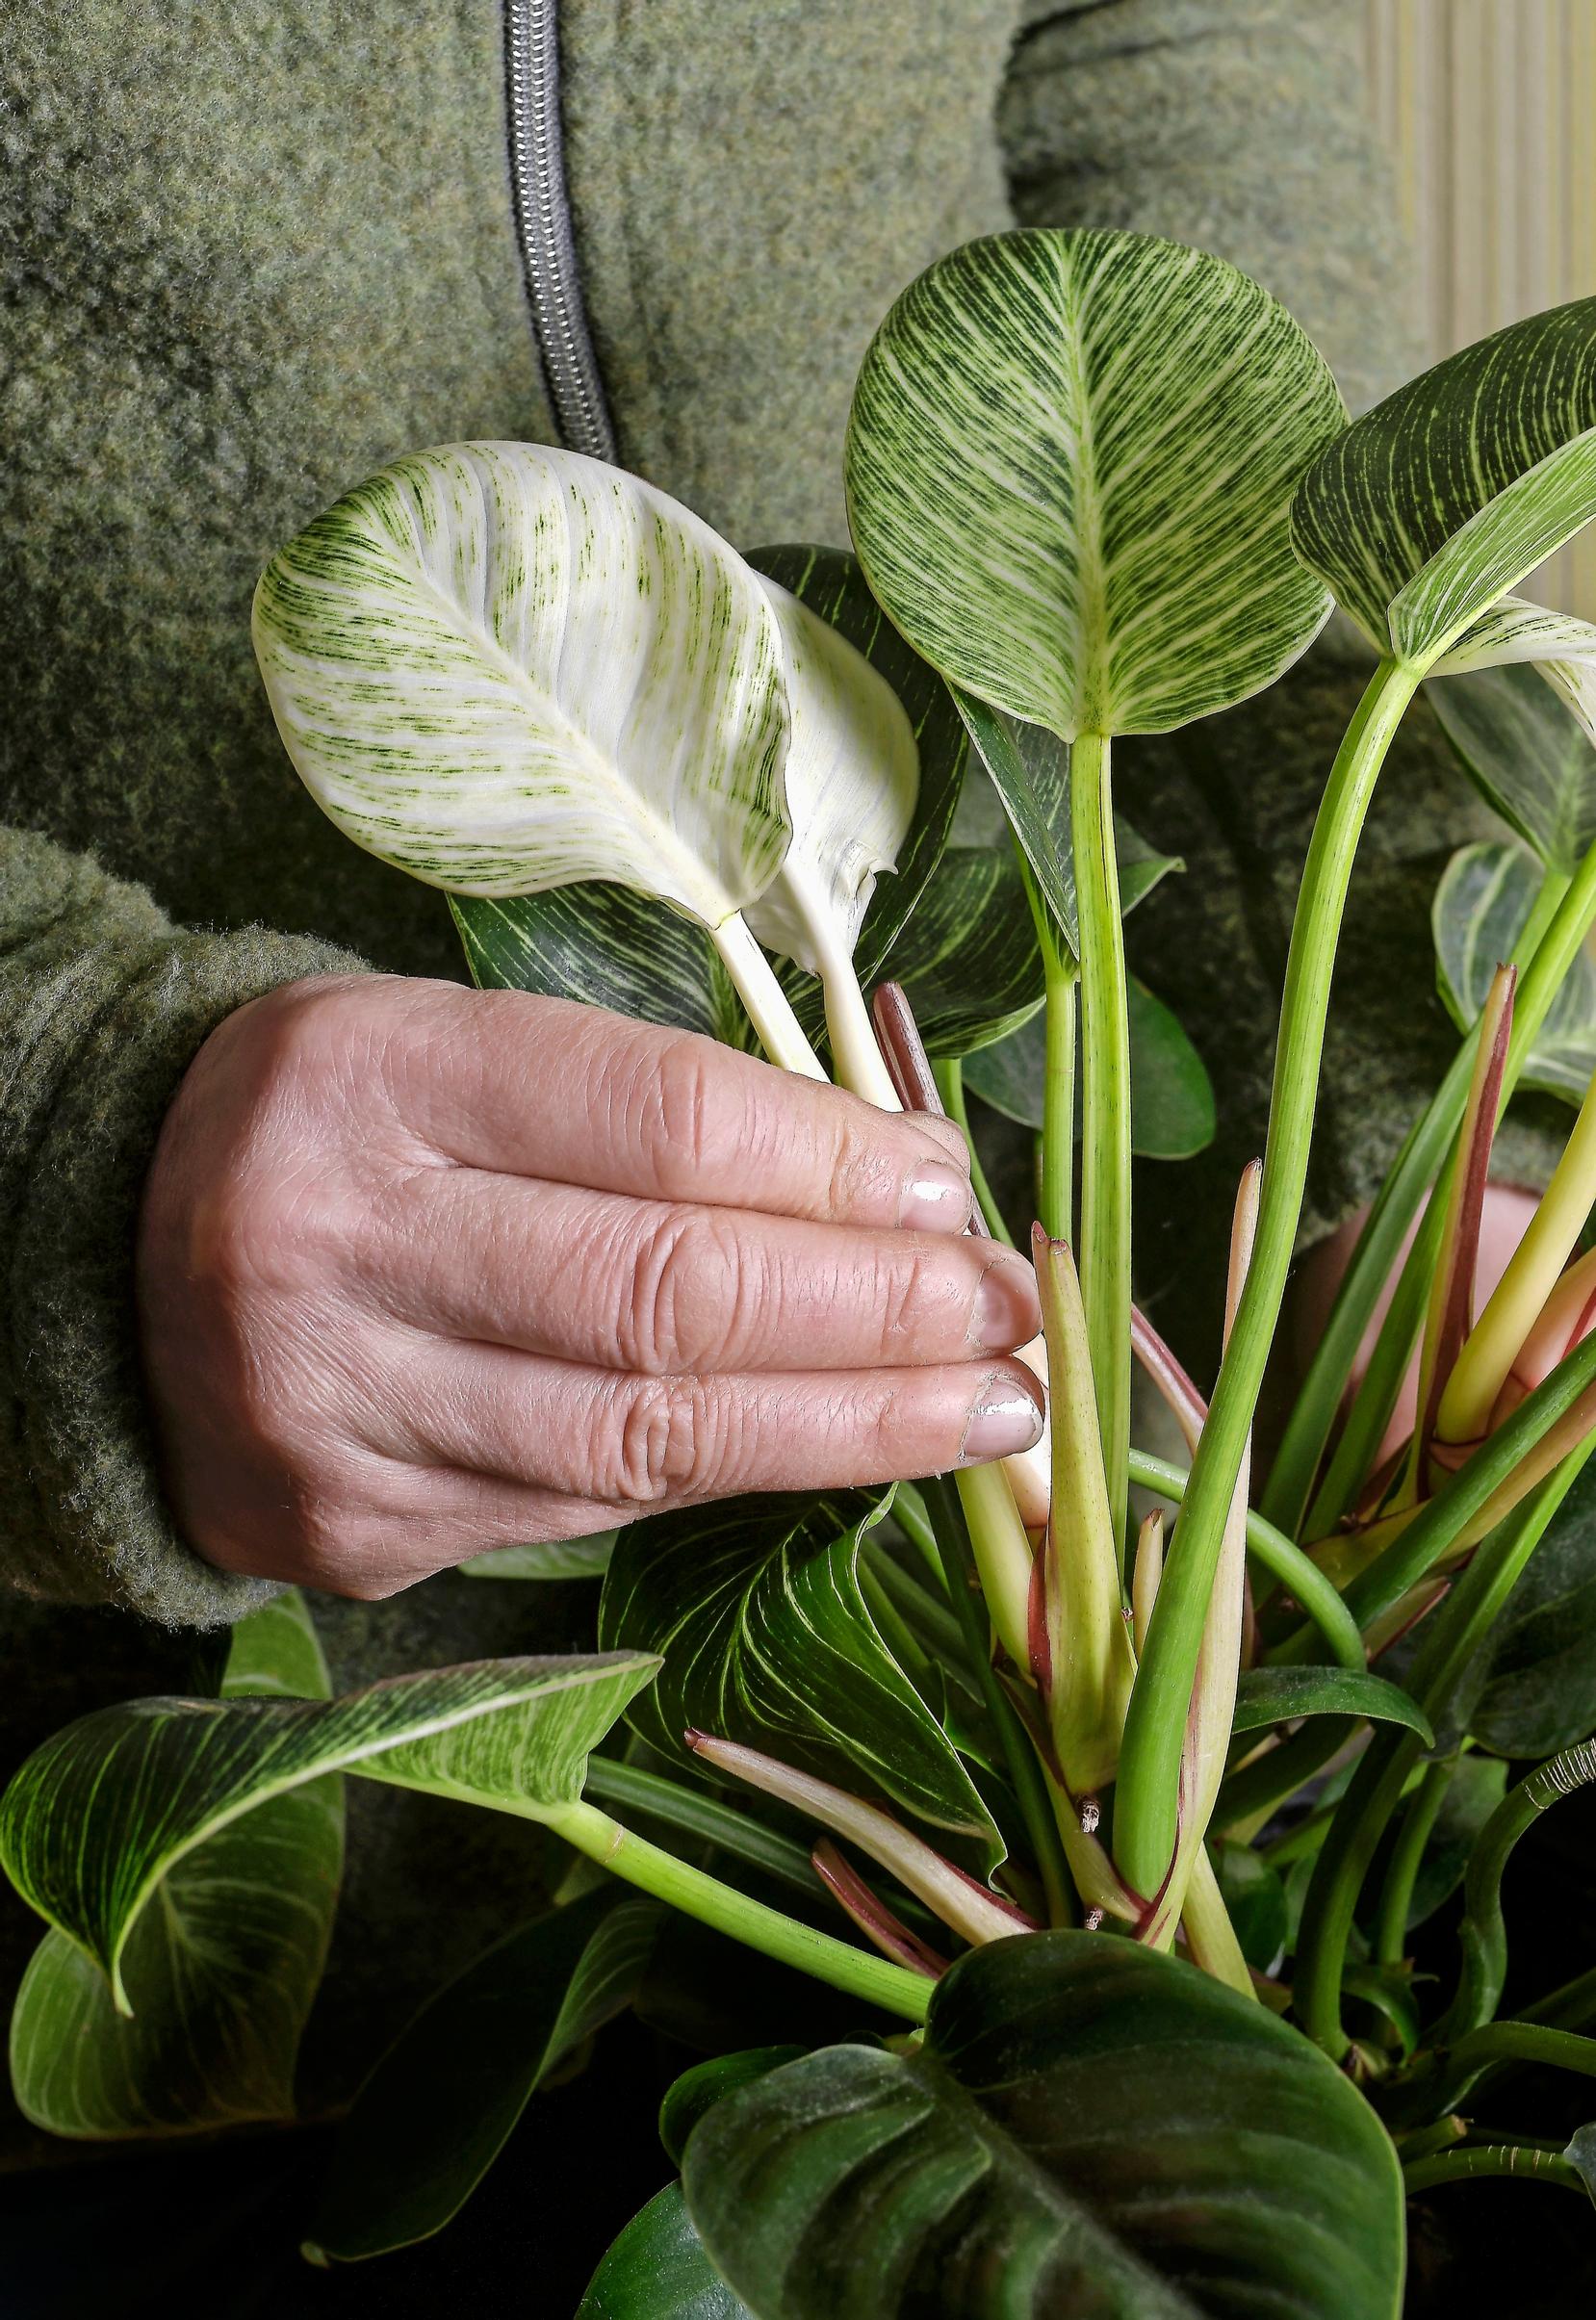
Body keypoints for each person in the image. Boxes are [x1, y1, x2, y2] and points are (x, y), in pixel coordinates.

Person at [1, 0, 1532, 2112]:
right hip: (213, 1849)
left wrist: (1415, 1024)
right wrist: (61, 1148)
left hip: (1146, 1541)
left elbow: (1137, 53)